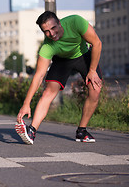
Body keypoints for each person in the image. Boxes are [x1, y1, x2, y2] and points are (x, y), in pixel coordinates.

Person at [15, 11, 102, 144]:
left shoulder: (75, 22)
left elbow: (97, 43)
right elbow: (38, 76)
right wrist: (26, 104)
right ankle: (31, 131)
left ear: (59, 23)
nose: (52, 33)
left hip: (83, 56)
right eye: (47, 31)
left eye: (53, 28)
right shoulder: (47, 47)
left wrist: (92, 70)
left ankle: (82, 131)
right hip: (61, 61)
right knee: (48, 92)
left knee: (95, 90)